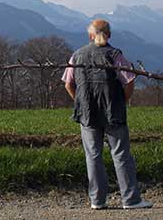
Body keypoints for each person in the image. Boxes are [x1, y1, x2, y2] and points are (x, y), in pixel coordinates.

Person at [61, 19, 153, 210]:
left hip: (87, 113)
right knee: (120, 155)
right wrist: (123, 102)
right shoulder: (115, 55)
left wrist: (80, 101)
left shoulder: (77, 55)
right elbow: (129, 81)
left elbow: (68, 83)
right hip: (114, 111)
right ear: (109, 34)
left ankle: (97, 201)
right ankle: (131, 200)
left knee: (93, 156)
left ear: (90, 35)